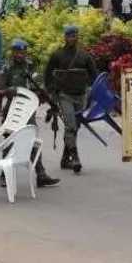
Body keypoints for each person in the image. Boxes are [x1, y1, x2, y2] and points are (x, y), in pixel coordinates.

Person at [0, 39, 60, 187]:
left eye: (23, 51)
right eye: (17, 52)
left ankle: (41, 174)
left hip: (28, 109)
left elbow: (39, 85)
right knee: (9, 141)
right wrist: (10, 90)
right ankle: (4, 175)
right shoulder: (6, 68)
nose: (20, 54)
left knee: (32, 140)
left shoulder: (30, 67)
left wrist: (44, 95)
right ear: (12, 52)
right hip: (12, 110)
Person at [44, 25, 97, 174]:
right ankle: (75, 158)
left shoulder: (85, 56)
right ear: (65, 37)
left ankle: (64, 158)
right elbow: (48, 74)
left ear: (77, 37)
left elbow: (95, 77)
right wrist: (51, 92)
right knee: (71, 127)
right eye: (69, 35)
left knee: (74, 128)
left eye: (74, 35)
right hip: (64, 96)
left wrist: (94, 94)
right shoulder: (57, 55)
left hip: (81, 97)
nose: (72, 38)